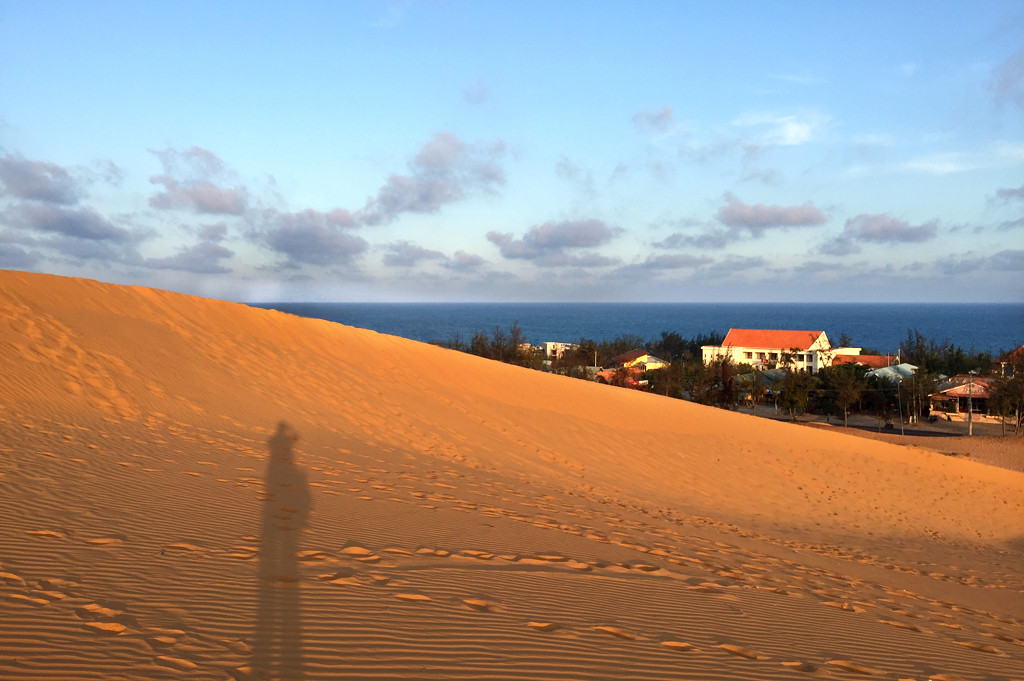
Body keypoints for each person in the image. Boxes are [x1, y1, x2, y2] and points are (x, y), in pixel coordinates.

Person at [253, 421, 310, 680]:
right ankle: (283, 577)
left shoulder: (277, 462)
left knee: (280, 546)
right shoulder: (284, 464)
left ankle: (279, 577)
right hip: (282, 516)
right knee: (284, 546)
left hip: (277, 515)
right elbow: (304, 497)